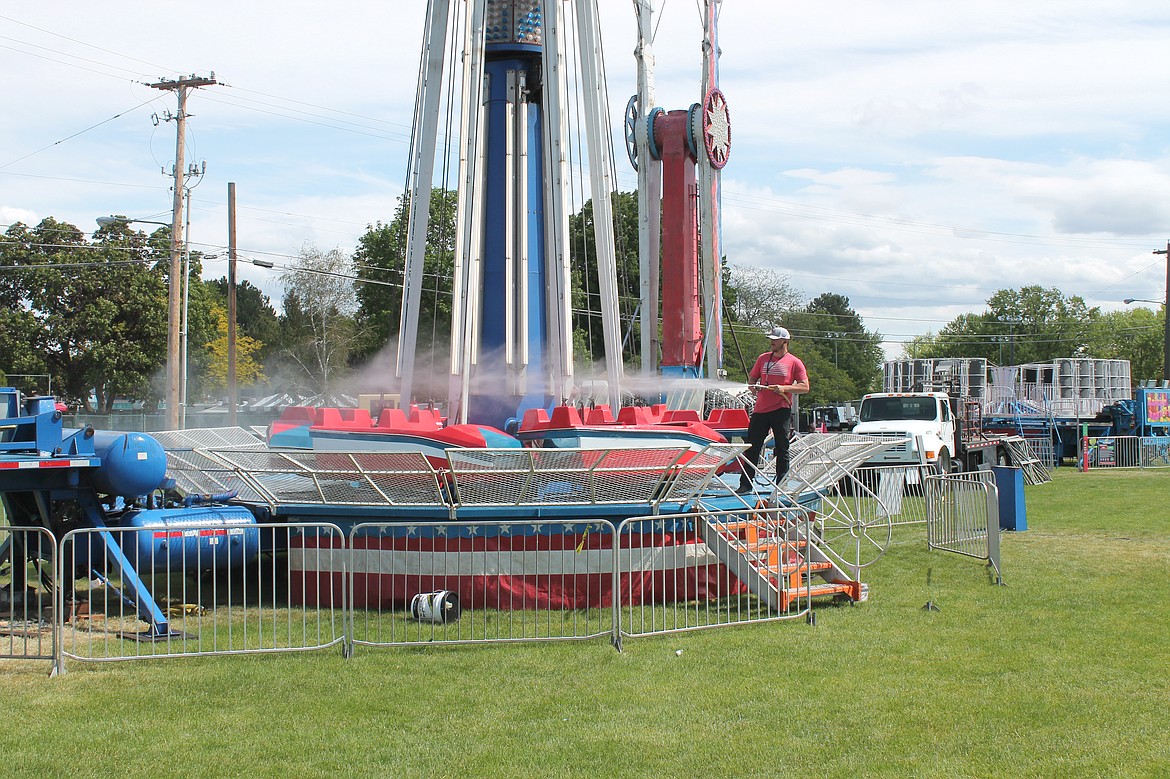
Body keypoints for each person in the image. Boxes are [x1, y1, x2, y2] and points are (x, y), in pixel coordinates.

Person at [739, 325, 810, 492]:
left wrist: (785, 388)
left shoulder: (794, 362)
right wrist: (753, 386)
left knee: (782, 447)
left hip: (781, 409)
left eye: (774, 340)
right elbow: (753, 378)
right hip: (760, 410)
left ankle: (782, 485)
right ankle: (745, 484)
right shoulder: (763, 358)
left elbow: (805, 387)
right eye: (770, 339)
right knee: (752, 446)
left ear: (785, 341)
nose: (771, 342)